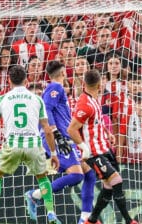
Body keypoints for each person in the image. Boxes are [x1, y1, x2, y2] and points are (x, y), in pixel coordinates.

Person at [0, 65, 61, 224]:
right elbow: (47, 130)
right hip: (34, 145)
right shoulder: (37, 99)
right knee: (42, 177)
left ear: (8, 80)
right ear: (27, 80)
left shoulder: (1, 99)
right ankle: (50, 213)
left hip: (13, 144)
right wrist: (54, 153)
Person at [25, 61, 96, 224]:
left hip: (65, 138)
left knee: (89, 174)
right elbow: (47, 109)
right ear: (63, 73)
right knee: (77, 175)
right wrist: (56, 133)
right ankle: (34, 195)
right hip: (59, 139)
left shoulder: (54, 88)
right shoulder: (55, 87)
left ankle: (85, 218)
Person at [67, 69, 139, 224]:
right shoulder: (85, 104)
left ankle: (91, 221)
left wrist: (107, 132)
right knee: (116, 181)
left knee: (108, 187)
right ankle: (129, 220)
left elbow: (96, 120)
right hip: (94, 153)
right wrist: (84, 148)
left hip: (104, 148)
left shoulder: (94, 99)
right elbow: (71, 129)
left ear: (84, 83)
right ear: (100, 84)